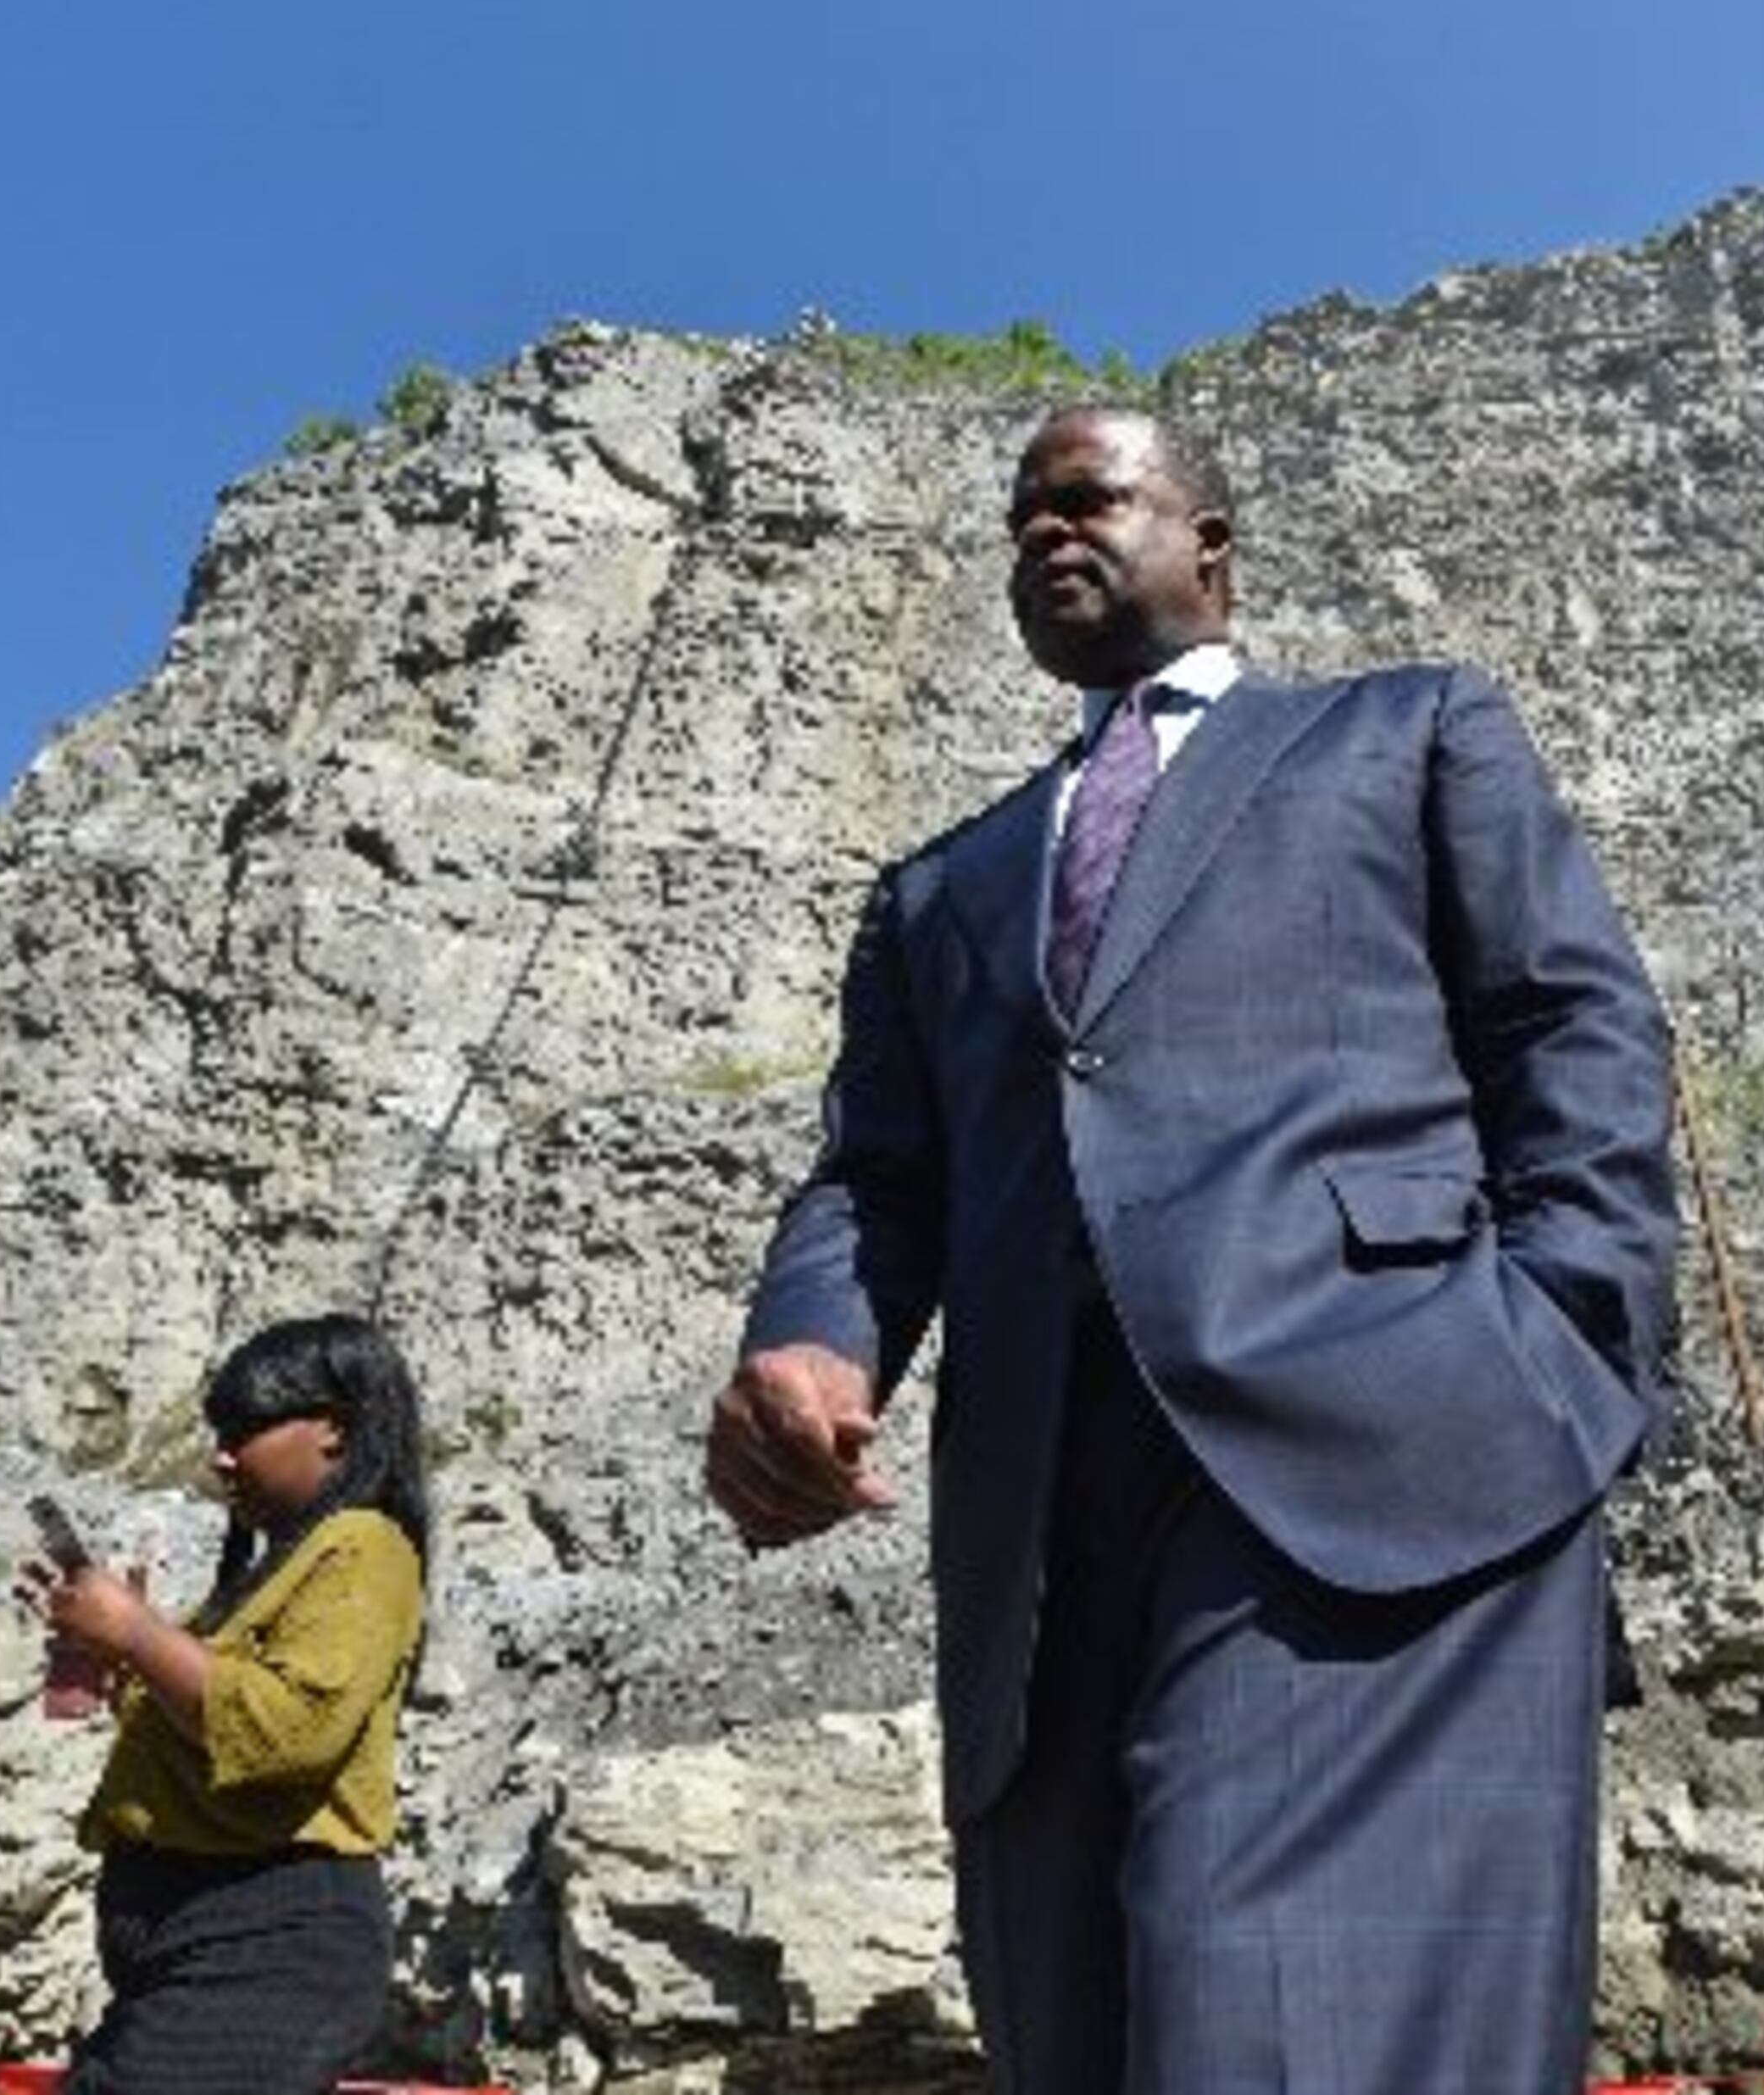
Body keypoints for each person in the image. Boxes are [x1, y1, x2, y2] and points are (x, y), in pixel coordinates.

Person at [704, 405, 1678, 2093]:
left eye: (1085, 497)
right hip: (1040, 1546)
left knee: (1275, 2023)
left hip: (1388, 1463)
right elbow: (878, 1179)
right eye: (1017, 516)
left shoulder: (1408, 731)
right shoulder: (936, 891)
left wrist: (1562, 1346)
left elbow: (1572, 1030)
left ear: (1210, 540)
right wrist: (811, 1341)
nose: (1041, 532)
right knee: (1085, 2030)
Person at [19, 1312, 434, 2094]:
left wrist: (138, 1633)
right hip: (199, 1937)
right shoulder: (288, 1564)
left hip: (267, 1942)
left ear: (332, 1430)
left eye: (242, 1430)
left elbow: (286, 1732)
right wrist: (118, 1656)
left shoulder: (364, 1545)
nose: (219, 1455)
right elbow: (214, 1734)